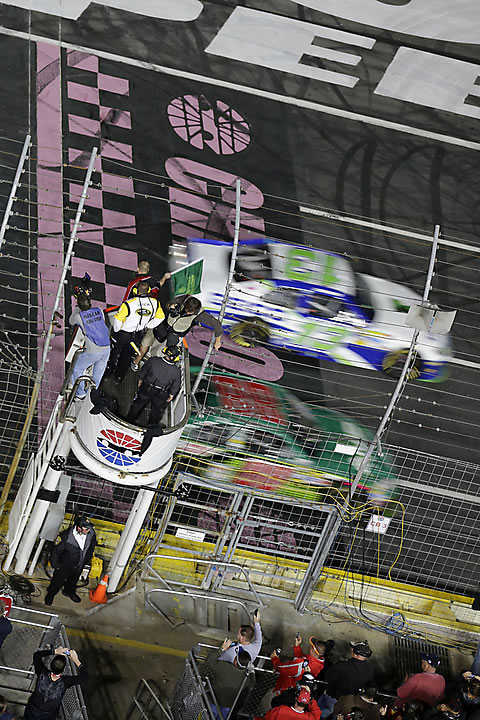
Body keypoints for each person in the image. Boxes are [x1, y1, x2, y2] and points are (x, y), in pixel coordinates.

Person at [130, 293, 223, 371]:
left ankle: (149, 367)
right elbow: (168, 303)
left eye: (190, 313)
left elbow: (217, 325)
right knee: (145, 342)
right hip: (162, 326)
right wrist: (170, 307)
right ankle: (136, 361)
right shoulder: (183, 299)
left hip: (173, 336)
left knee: (157, 353)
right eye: (186, 310)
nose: (187, 313)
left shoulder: (201, 315)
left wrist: (217, 342)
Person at [107, 281, 165, 382]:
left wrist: (117, 330)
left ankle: (107, 374)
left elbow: (118, 320)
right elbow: (161, 317)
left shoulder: (128, 304)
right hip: (137, 335)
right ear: (149, 291)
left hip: (123, 334)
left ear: (136, 291)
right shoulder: (155, 303)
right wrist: (149, 325)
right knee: (127, 356)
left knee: (114, 353)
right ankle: (119, 377)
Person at [24, 646, 88, 720]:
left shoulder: (42, 672)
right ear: (63, 670)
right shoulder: (65, 681)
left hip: (32, 709)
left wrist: (54, 651)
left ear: (51, 665)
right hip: (48, 715)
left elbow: (37, 655)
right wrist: (76, 660)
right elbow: (85, 677)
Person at [45, 518, 96, 606]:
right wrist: (55, 565)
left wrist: (87, 558)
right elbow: (56, 552)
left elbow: (91, 546)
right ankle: (51, 594)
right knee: (57, 581)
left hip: (79, 565)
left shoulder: (91, 534)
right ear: (79, 528)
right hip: (64, 565)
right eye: (87, 529)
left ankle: (69, 591)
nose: (89, 530)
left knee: (73, 580)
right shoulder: (65, 537)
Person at [126, 345, 182, 426]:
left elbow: (144, 371)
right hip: (161, 394)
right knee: (156, 412)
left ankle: (129, 421)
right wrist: (171, 395)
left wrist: (140, 380)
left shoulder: (153, 360)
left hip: (147, 388)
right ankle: (151, 427)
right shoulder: (176, 371)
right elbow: (176, 385)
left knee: (137, 405)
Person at [69, 293, 111, 399]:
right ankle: (92, 392)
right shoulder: (99, 310)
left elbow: (71, 321)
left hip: (94, 351)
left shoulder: (79, 317)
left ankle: (80, 393)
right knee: (98, 373)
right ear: (90, 303)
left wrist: (76, 309)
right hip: (107, 347)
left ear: (79, 305)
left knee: (77, 368)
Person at [320, 641, 374, 719]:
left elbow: (327, 676)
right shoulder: (369, 669)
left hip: (333, 700)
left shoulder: (343, 666)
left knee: (320, 716)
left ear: (354, 652)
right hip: (350, 705)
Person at [202, 642, 255, 720]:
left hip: (213, 701)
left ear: (235, 660)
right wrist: (252, 672)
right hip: (229, 706)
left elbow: (209, 660)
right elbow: (252, 684)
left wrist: (222, 649)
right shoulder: (246, 677)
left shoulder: (223, 666)